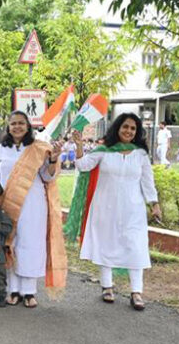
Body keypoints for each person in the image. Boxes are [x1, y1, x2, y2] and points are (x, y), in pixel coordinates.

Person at [67, 113, 161, 311]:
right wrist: (79, 145)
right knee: (106, 245)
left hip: (133, 210)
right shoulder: (104, 150)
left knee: (136, 247)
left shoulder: (141, 154)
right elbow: (84, 166)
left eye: (133, 128)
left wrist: (154, 203)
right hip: (105, 208)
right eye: (125, 127)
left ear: (137, 132)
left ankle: (136, 292)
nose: (128, 131)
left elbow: (147, 181)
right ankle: (107, 287)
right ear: (118, 128)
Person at [0, 110, 67, 308]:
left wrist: (53, 159)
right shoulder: (0, 149)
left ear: (28, 126)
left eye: (21, 123)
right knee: (10, 243)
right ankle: (13, 290)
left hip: (33, 204)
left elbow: (48, 177)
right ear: (8, 127)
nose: (17, 127)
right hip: (6, 203)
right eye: (13, 124)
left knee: (30, 244)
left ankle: (29, 292)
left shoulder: (38, 148)